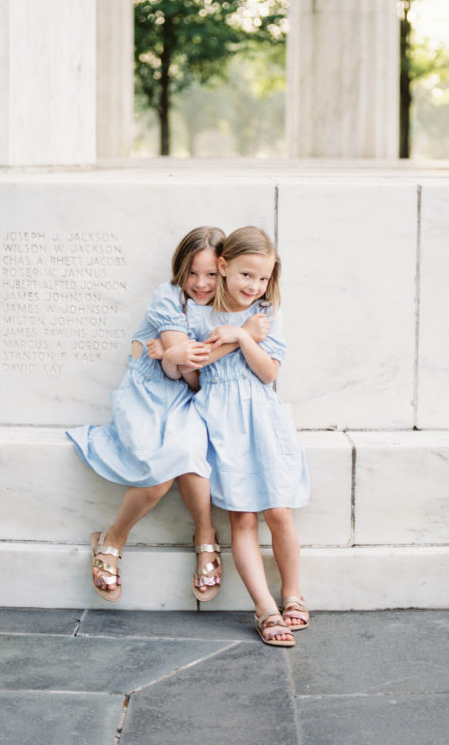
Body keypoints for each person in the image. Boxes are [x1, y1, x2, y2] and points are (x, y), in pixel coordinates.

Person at [66, 226, 225, 603]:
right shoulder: (166, 297)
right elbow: (183, 367)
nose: (200, 283)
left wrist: (175, 353)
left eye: (211, 274)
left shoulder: (226, 309)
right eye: (192, 272)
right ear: (179, 270)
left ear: (224, 271)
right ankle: (112, 538)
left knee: (188, 456)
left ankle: (205, 535)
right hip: (146, 395)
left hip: (189, 401)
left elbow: (192, 376)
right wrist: (175, 356)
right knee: (156, 473)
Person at [184, 226, 310, 647]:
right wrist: (232, 337)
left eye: (262, 279)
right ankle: (264, 608)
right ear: (223, 267)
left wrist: (242, 335)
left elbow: (269, 372)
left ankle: (292, 593)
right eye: (245, 276)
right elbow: (195, 372)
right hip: (222, 423)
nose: (253, 286)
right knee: (242, 517)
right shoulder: (199, 314)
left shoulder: (265, 315)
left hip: (261, 419)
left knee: (279, 512)